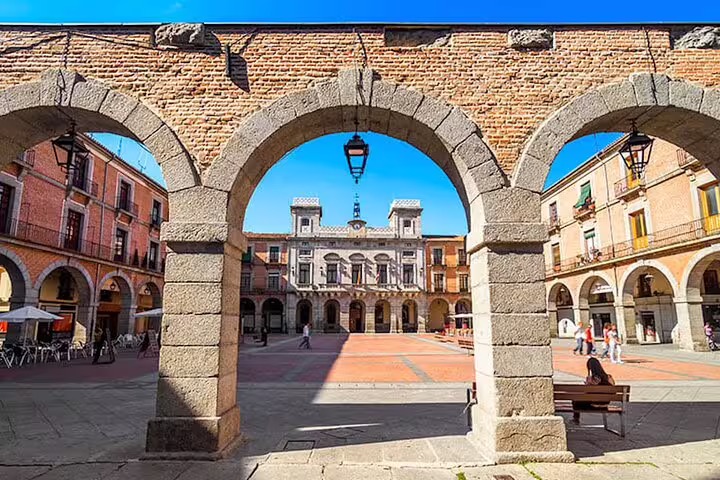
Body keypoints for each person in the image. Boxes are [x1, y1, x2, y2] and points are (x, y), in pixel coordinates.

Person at [572, 357, 615, 423]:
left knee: (575, 400)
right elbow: (613, 392)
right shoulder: (609, 377)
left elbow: (586, 393)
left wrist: (587, 384)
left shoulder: (591, 379)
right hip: (605, 405)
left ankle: (576, 419)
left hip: (592, 405)